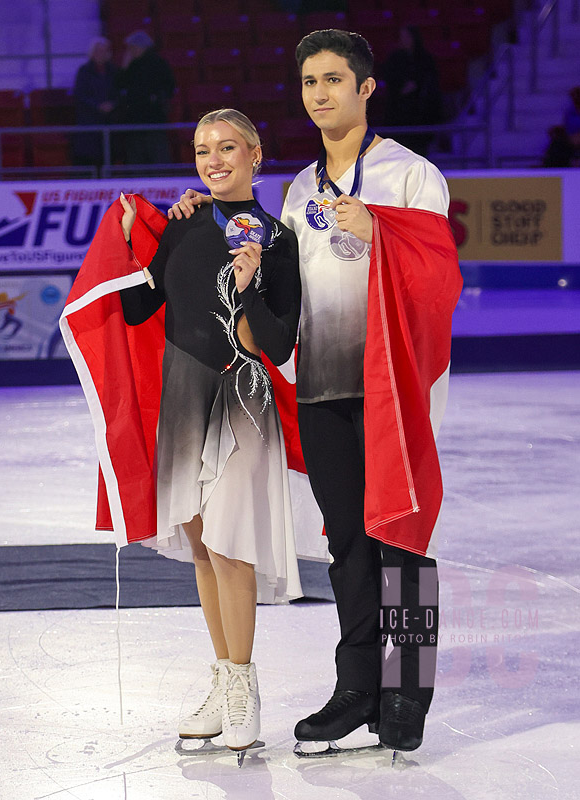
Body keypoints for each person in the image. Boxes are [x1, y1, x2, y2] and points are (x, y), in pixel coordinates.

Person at [169, 29, 461, 754]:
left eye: (333, 80)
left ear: (365, 88)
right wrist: (191, 216)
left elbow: (441, 276)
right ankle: (357, 690)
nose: (320, 94)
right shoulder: (300, 191)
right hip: (324, 389)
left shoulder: (409, 175)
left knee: (404, 544)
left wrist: (384, 232)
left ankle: (408, 694)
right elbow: (276, 283)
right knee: (349, 548)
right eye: (309, 83)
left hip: (395, 393)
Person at [118, 108, 302, 755]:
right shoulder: (184, 226)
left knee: (231, 545)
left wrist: (249, 287)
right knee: (200, 545)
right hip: (183, 392)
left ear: (256, 153)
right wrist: (130, 243)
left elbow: (276, 347)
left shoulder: (278, 240)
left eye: (227, 148)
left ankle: (245, 686)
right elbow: (140, 306)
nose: (213, 159)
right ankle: (223, 680)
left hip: (242, 398)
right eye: (202, 150)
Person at [381, 25, 442, 157]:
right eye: (402, 37)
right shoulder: (394, 59)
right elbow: (389, 80)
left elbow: (431, 83)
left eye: (407, 37)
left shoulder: (425, 59)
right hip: (399, 113)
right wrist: (400, 88)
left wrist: (417, 85)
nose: (404, 40)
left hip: (420, 113)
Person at [116, 30, 175, 165]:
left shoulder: (157, 64)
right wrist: (124, 67)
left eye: (132, 48)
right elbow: (118, 85)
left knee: (156, 157)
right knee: (137, 158)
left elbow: (168, 87)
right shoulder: (131, 65)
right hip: (135, 121)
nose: (129, 51)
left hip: (153, 120)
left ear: (140, 47)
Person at [72, 37, 119, 170]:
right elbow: (80, 94)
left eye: (104, 51)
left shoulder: (114, 71)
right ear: (92, 53)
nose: (101, 54)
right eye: (98, 51)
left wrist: (112, 104)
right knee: (91, 157)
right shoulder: (84, 71)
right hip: (90, 122)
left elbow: (119, 93)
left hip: (110, 121)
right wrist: (97, 106)